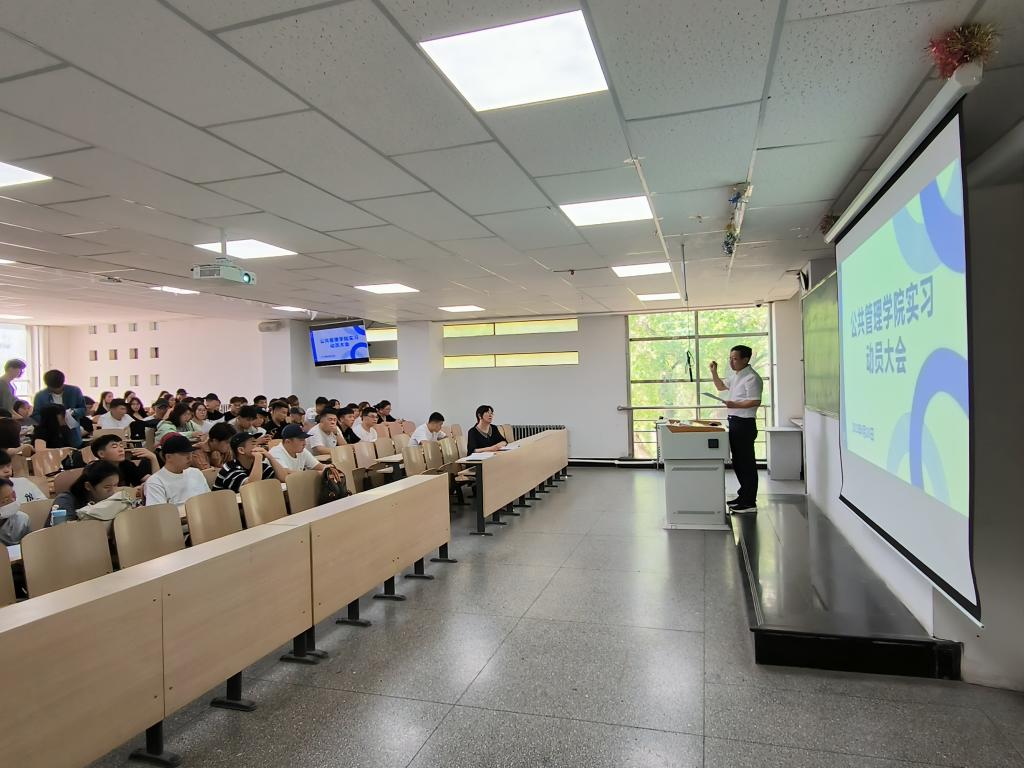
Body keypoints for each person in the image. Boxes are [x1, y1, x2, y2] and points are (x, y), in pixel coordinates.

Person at [710, 344, 764, 513]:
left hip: (744, 424)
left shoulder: (751, 377)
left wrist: (735, 404)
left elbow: (755, 401)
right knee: (739, 463)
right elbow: (720, 386)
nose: (731, 362)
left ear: (745, 359)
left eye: (735, 359)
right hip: (734, 422)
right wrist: (714, 372)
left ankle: (749, 502)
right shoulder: (736, 375)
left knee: (746, 464)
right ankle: (743, 496)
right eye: (730, 358)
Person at [144, 435, 209, 506]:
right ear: (168, 457)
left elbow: (208, 500)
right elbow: (159, 511)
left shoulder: (196, 472)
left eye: (191, 452)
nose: (189, 457)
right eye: (184, 454)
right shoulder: (155, 482)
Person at [214, 431, 285, 492]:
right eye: (253, 444)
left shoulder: (258, 465)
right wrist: (258, 458)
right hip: (224, 503)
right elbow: (251, 488)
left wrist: (270, 457)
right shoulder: (230, 468)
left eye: (257, 443)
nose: (259, 446)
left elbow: (283, 478)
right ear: (241, 450)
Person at [52, 461, 123, 521]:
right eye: (107, 487)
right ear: (88, 486)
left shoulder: (115, 500)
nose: (113, 491)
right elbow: (61, 530)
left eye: (115, 485)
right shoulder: (65, 500)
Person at [33, 369, 87, 447]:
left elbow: (83, 409)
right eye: (53, 389)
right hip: (50, 434)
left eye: (60, 387)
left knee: (74, 451)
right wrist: (51, 420)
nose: (57, 390)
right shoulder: (40, 396)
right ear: (48, 385)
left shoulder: (75, 391)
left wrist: (72, 412)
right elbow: (36, 414)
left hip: (72, 432)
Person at [91, 433, 157, 487]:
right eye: (114, 447)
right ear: (101, 454)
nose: (121, 450)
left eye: (121, 446)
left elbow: (155, 483)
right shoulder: (96, 470)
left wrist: (153, 458)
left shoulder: (127, 465)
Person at [0, 478, 31, 545]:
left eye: (13, 495)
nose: (13, 501)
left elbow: (29, 545)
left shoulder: (22, 520)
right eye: (6, 500)